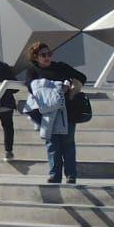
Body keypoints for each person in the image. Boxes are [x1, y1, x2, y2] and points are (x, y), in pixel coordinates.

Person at [24, 41, 88, 184]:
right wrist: (55, 88)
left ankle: (71, 175)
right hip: (47, 112)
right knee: (52, 144)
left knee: (68, 143)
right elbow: (31, 87)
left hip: (67, 110)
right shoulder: (32, 70)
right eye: (43, 55)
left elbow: (81, 77)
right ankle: (55, 174)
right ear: (35, 57)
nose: (47, 57)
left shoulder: (61, 67)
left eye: (49, 54)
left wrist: (72, 90)